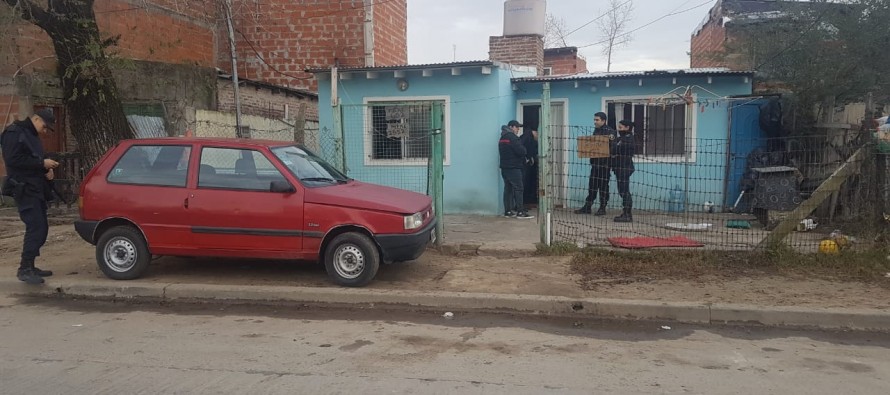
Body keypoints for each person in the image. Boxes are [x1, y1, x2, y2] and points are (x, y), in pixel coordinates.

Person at [1, 108, 60, 284]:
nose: (44, 131)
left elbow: (33, 158)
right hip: (24, 189)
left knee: (42, 228)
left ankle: (31, 265)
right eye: (44, 126)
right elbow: (13, 160)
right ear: (35, 119)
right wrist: (41, 163)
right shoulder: (14, 133)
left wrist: (46, 170)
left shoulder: (30, 134)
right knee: (36, 227)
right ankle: (24, 268)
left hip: (35, 188)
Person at [575, 112, 616, 215]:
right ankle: (587, 206)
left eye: (597, 120)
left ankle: (602, 207)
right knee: (592, 185)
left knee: (603, 186)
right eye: (594, 120)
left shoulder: (610, 132)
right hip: (595, 163)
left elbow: (612, 148)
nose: (595, 122)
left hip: (605, 165)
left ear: (603, 120)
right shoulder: (597, 131)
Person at [499, 120, 533, 219]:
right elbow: (522, 151)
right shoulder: (513, 138)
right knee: (519, 188)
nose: (518, 129)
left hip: (505, 167)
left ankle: (508, 211)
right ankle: (520, 212)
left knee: (508, 189)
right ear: (511, 127)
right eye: (517, 127)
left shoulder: (502, 138)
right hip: (514, 167)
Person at [612, 120, 636, 223]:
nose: (618, 129)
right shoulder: (621, 139)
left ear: (627, 128)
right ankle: (625, 212)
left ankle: (627, 214)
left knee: (625, 191)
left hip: (624, 168)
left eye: (621, 127)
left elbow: (617, 150)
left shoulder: (628, 139)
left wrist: (615, 149)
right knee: (622, 191)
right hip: (619, 168)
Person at [520, 128, 539, 208]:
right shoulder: (528, 138)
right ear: (535, 133)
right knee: (523, 184)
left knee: (525, 183)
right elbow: (524, 149)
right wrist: (527, 158)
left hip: (526, 164)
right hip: (524, 164)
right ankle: (522, 203)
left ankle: (523, 203)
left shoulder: (526, 137)